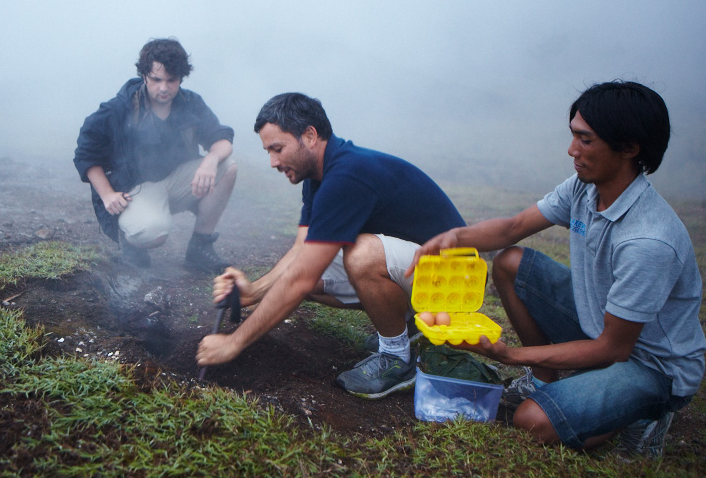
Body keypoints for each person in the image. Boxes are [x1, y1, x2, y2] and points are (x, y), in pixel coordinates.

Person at [408, 80, 706, 459]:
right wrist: (455, 236)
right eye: (574, 136)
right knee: (510, 263)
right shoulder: (585, 188)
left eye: (585, 140)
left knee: (532, 421)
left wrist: (510, 355)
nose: (572, 150)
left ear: (629, 148)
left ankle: (647, 413)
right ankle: (546, 379)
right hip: (600, 320)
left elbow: (613, 348)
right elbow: (514, 228)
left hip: (649, 363)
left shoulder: (649, 241)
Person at [195, 93, 466, 398]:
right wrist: (254, 292)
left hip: (456, 279)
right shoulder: (317, 174)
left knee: (360, 255)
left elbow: (300, 278)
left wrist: (234, 343)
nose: (273, 162)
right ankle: (409, 324)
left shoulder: (347, 174)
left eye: (277, 149)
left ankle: (396, 357)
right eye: (268, 151)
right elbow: (301, 251)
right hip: (420, 269)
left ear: (309, 135)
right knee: (311, 271)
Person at [74, 38, 237, 273]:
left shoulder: (191, 103)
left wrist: (210, 160)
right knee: (152, 233)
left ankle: (199, 249)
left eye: (171, 81)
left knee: (228, 166)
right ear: (144, 76)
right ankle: (131, 241)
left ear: (181, 78)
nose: (164, 88)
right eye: (156, 79)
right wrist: (107, 194)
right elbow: (86, 153)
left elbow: (221, 138)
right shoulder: (118, 109)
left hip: (175, 182)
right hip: (133, 191)